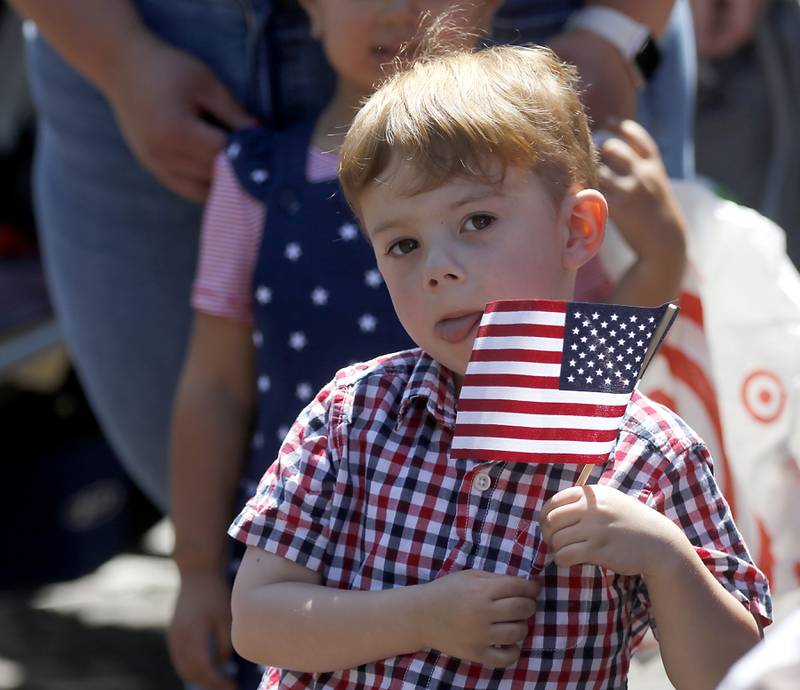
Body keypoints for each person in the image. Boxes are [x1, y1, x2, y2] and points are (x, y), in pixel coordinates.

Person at [228, 39, 772, 690]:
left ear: (576, 230)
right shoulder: (352, 413)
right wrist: (422, 617)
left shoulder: (650, 455)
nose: (438, 268)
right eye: (403, 243)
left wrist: (668, 559)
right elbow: (257, 622)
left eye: (477, 220)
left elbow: (737, 678)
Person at [9, 0, 689, 519]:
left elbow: (586, 380)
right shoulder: (250, 185)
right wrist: (197, 575)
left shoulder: (524, 186)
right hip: (313, 564)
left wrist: (662, 255)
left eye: (475, 223)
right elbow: (213, 387)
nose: (398, 10)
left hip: (503, 569)